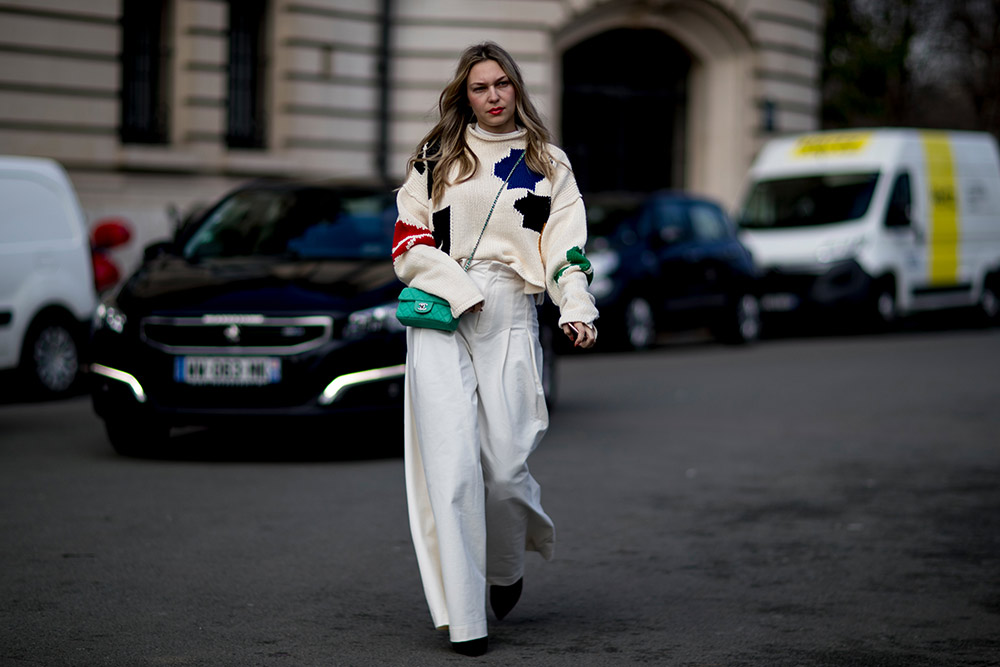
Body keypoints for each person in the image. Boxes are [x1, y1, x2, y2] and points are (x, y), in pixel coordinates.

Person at [391, 41, 598, 657]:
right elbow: (407, 243)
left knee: (505, 469)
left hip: (510, 310)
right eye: (480, 87)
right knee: (452, 470)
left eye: (502, 83)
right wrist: (457, 290)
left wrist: (577, 307)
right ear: (465, 94)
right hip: (440, 313)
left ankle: (506, 566)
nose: (493, 96)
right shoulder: (436, 157)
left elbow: (566, 250)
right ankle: (465, 621)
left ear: (517, 87)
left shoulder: (547, 163)